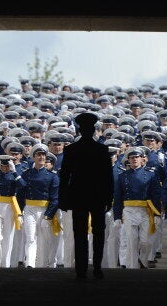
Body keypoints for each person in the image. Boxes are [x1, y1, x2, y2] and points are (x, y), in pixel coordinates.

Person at [58, 112, 114, 279]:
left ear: (80, 130)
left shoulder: (71, 150)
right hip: (97, 196)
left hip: (79, 196)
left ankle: (81, 270)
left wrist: (63, 198)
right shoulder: (102, 150)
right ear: (93, 131)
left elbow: (64, 177)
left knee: (80, 233)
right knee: (98, 233)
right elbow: (108, 178)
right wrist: (108, 197)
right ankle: (96, 267)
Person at [0, 155, 26, 268]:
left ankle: (5, 264)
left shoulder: (13, 176)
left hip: (9, 206)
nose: (5, 168)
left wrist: (14, 171)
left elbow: (23, 185)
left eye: (7, 166)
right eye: (2, 166)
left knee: (8, 238)